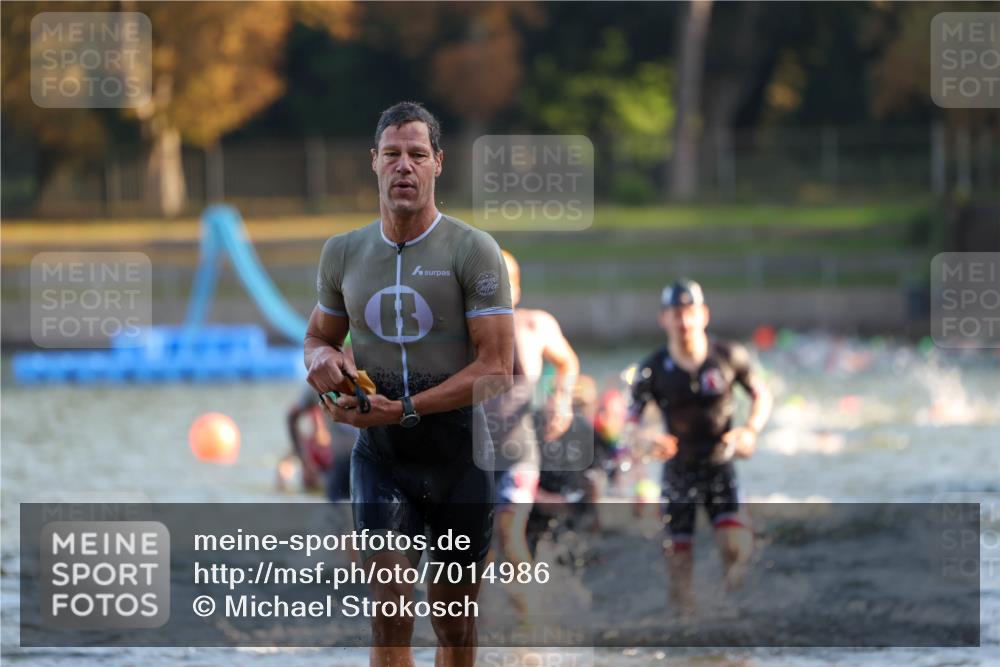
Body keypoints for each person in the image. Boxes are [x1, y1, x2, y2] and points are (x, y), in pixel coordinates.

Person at [304, 101, 514, 667]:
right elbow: (317, 339)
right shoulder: (343, 252)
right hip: (383, 459)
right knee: (390, 614)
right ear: (373, 162)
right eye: (392, 155)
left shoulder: (473, 250)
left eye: (417, 155)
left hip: (459, 459)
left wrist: (406, 409)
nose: (404, 166)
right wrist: (321, 362)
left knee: (454, 628)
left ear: (437, 164)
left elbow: (496, 369)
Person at [626, 278, 773, 614]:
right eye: (675, 314)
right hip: (678, 471)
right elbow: (629, 426)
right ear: (663, 319)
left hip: (720, 464)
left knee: (734, 550)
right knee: (679, 568)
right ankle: (686, 633)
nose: (683, 321)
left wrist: (750, 430)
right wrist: (647, 441)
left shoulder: (729, 355)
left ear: (703, 315)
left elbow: (762, 395)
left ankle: (735, 616)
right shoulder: (651, 368)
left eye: (690, 312)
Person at [488, 250, 579, 571]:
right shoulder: (461, 331)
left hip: (517, 449)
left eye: (504, 282)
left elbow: (567, 362)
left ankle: (534, 617)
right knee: (475, 550)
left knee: (509, 535)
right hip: (469, 453)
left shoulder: (534, 324)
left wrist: (562, 399)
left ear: (517, 289)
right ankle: (484, 618)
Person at [278, 385, 355, 500]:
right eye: (314, 416)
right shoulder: (320, 382)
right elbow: (292, 416)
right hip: (339, 468)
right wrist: (306, 463)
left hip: (366, 463)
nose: (317, 420)